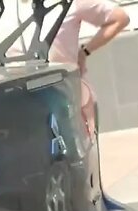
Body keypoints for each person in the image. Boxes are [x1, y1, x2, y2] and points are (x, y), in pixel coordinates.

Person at [47, 0, 130, 135]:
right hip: (15, 99)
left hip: (65, 98)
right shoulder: (7, 6)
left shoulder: (71, 3)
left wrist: (85, 51)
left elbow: (119, 18)